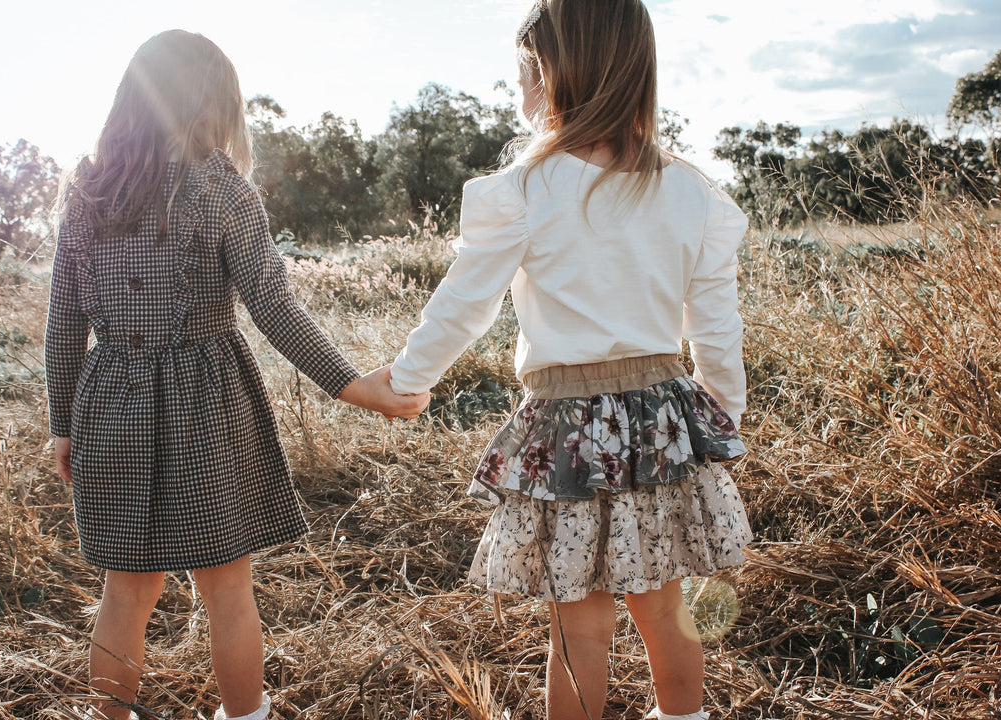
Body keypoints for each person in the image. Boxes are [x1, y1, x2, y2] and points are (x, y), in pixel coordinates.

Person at [45, 30, 427, 720]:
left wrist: (60, 427)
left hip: (108, 404)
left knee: (124, 592)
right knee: (228, 589)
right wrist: (351, 383)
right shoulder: (224, 190)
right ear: (217, 105)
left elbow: (64, 325)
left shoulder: (87, 193)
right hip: (205, 407)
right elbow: (274, 306)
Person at [388, 2, 753, 719]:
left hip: (569, 434)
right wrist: (723, 415)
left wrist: (404, 382)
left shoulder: (525, 190)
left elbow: (464, 304)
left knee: (579, 628)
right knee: (664, 608)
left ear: (552, 73)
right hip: (663, 426)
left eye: (523, 71)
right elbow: (715, 323)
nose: (517, 89)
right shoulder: (689, 191)